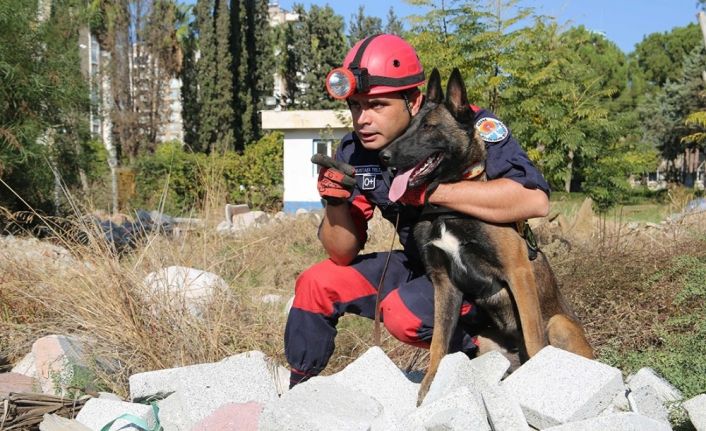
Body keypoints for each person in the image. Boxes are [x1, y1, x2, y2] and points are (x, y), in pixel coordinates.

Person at [284, 34, 550, 388]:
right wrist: (334, 204)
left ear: (414, 100)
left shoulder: (465, 125)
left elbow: (534, 200)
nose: (363, 118)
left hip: (477, 274)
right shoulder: (357, 150)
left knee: (402, 313)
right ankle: (300, 392)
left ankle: (482, 352)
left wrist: (430, 193)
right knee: (318, 282)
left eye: (377, 105)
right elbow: (341, 251)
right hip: (419, 261)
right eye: (355, 106)